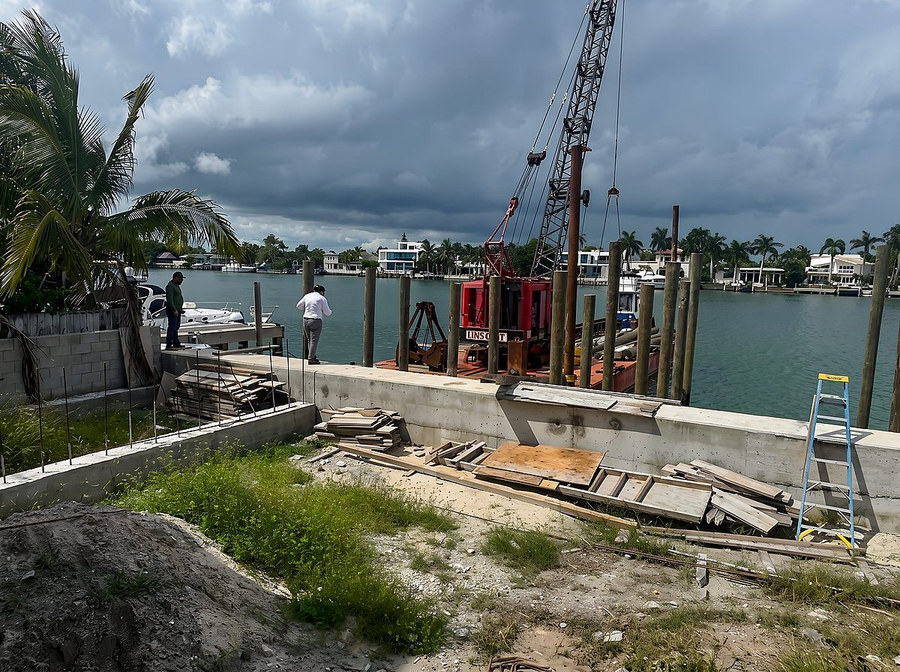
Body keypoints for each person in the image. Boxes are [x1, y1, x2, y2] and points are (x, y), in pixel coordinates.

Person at [295, 284, 332, 364]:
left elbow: (298, 306)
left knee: (309, 340)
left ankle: (312, 355)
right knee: (314, 341)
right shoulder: (322, 298)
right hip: (316, 320)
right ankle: (311, 358)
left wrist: (306, 308)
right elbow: (327, 313)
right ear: (322, 292)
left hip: (305, 319)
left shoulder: (307, 296)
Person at [165, 271, 185, 350]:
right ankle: (169, 343)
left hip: (178, 310)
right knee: (172, 327)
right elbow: (169, 299)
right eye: (180, 279)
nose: (181, 281)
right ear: (176, 278)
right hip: (172, 310)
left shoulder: (176, 286)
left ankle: (176, 342)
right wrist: (174, 309)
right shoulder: (170, 286)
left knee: (176, 327)